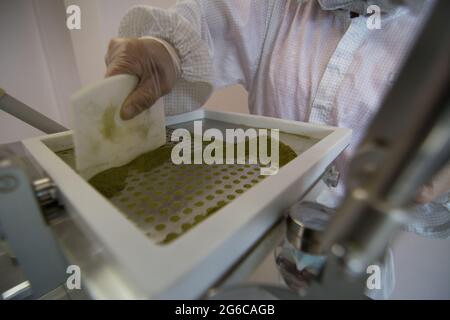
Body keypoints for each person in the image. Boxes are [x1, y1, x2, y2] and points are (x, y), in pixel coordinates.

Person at [104, 0, 450, 298]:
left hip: (352, 278)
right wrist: (164, 49)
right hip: (254, 258)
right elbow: (205, 26)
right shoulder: (278, 6)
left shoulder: (436, 34)